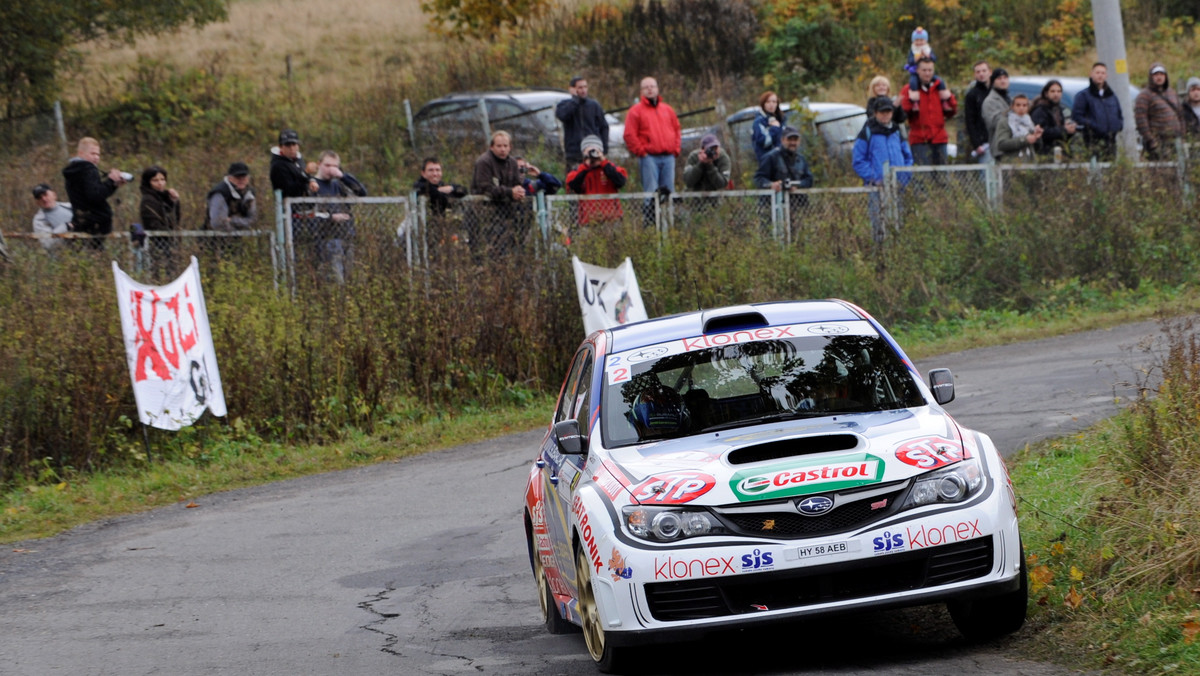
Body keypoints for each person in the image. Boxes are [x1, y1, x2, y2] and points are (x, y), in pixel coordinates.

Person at [852, 97, 913, 243]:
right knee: (879, 224)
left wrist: (904, 177)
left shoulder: (897, 131)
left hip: (899, 187)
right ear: (875, 113)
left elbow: (908, 157)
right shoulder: (867, 132)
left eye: (888, 111)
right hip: (877, 188)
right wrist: (874, 178)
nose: (885, 115)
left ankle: (899, 252)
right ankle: (880, 257)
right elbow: (858, 161)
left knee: (901, 222)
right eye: (882, 112)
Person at [310, 150, 367, 282]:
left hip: (346, 235)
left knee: (351, 277)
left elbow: (361, 192)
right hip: (326, 238)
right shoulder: (313, 185)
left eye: (335, 166)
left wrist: (342, 176)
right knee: (336, 279)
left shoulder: (339, 184)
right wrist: (331, 217)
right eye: (328, 165)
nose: (331, 170)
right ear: (319, 164)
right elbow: (310, 213)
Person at [61, 137, 128, 248]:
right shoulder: (88, 169)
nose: (96, 158)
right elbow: (95, 195)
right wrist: (111, 181)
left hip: (81, 220)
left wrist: (113, 185)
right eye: (92, 154)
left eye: (98, 154)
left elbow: (88, 194)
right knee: (96, 252)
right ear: (81, 153)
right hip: (96, 222)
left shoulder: (73, 170)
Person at [470, 130, 528, 254]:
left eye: (505, 146)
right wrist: (509, 192)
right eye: (499, 146)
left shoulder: (512, 162)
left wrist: (518, 191)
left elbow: (517, 183)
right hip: (485, 213)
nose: (502, 149)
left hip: (507, 212)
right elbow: (485, 188)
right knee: (489, 250)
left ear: (510, 147)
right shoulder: (484, 162)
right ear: (492, 147)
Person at [623, 76, 681, 197]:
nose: (650, 89)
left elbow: (676, 129)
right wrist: (642, 152)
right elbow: (629, 135)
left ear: (657, 89)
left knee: (669, 191)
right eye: (646, 87)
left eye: (652, 86)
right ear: (641, 91)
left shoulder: (668, 110)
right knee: (651, 192)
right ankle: (651, 216)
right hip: (649, 158)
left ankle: (667, 215)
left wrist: (676, 149)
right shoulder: (635, 111)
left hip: (669, 157)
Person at [900, 58, 957, 165]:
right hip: (919, 139)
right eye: (924, 70)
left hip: (939, 138)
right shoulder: (909, 89)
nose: (927, 73)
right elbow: (904, 112)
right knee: (923, 176)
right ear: (917, 71)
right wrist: (911, 100)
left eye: (930, 70)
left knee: (942, 176)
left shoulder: (939, 88)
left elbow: (952, 111)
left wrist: (949, 98)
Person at [754, 126, 814, 225]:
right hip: (773, 208)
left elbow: (809, 179)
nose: (793, 143)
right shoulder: (771, 157)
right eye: (789, 139)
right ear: (782, 140)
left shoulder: (801, 159)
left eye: (795, 140)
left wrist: (798, 185)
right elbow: (758, 178)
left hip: (797, 209)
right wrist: (771, 185)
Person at [566, 135, 629, 226]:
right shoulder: (578, 171)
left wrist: (603, 162)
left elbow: (621, 181)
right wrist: (586, 166)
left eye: (595, 150)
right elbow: (573, 185)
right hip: (588, 221)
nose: (592, 155)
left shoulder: (610, 168)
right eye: (588, 151)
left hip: (611, 220)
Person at [1072, 62, 1124, 161]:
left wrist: (1118, 125)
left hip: (1111, 140)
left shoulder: (1111, 96)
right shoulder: (1083, 96)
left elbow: (1119, 114)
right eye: (1097, 72)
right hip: (1092, 141)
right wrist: (1094, 126)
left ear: (1106, 75)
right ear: (1091, 74)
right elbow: (1077, 116)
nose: (1100, 75)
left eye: (1103, 73)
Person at [1134, 63, 1184, 160]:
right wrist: (1151, 140)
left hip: (1175, 141)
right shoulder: (1144, 95)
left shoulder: (1172, 92)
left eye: (1162, 74)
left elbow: (1180, 115)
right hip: (1157, 143)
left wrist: (1182, 135)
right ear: (1151, 77)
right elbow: (1141, 120)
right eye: (1156, 75)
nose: (1159, 77)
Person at [556, 76, 609, 167]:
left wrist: (603, 147)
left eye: (585, 87)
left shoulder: (594, 105)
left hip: (593, 152)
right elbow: (563, 115)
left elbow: (603, 126)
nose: (583, 90)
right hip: (574, 153)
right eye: (580, 88)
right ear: (572, 89)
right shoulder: (565, 105)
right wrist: (575, 100)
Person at [138, 166, 181, 257]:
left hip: (169, 244)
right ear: (148, 182)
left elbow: (175, 219)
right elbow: (152, 224)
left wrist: (175, 202)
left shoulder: (164, 198)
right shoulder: (148, 200)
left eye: (162, 179)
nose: (160, 183)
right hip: (157, 244)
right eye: (155, 180)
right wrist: (168, 234)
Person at [1030, 80, 1078, 158]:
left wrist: (1070, 131)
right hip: (1045, 153)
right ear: (1046, 93)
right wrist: (1064, 130)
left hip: (1059, 151)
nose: (1056, 94)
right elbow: (1043, 132)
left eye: (1059, 91)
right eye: (1052, 91)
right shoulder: (1040, 110)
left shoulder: (1058, 109)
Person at [205, 162, 258, 231]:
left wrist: (232, 220)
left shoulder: (249, 194)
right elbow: (218, 222)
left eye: (244, 177)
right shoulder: (220, 193)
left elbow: (253, 220)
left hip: (240, 237)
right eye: (237, 177)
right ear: (230, 178)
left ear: (248, 178)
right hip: (212, 237)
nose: (241, 180)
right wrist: (237, 230)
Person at [992, 95, 1043, 163]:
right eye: (1018, 105)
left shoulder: (1029, 122)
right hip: (1011, 163)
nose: (1021, 108)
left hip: (1029, 163)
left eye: (1024, 105)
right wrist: (1024, 140)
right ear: (1012, 106)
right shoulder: (1005, 122)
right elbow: (1001, 144)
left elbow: (1037, 148)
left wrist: (1037, 137)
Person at [902, 28, 948, 103]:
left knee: (940, 81)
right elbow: (909, 61)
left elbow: (934, 59)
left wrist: (928, 56)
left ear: (925, 40)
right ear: (913, 41)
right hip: (915, 72)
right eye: (917, 40)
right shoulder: (912, 50)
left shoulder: (928, 49)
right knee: (913, 82)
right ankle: (915, 101)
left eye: (921, 40)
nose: (919, 42)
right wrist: (916, 59)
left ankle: (944, 99)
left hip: (928, 72)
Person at [270, 129, 317, 199]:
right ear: (280, 147)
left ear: (298, 145)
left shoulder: (298, 159)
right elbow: (290, 191)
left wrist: (311, 180)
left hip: (305, 204)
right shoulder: (278, 165)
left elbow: (303, 176)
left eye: (294, 144)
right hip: (288, 207)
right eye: (287, 145)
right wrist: (306, 173)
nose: (291, 148)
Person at [962, 60, 993, 161]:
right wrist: (977, 144)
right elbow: (970, 121)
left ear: (990, 72)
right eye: (978, 72)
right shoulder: (972, 95)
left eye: (984, 71)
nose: (981, 74)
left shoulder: (996, 92)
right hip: (983, 143)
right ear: (975, 74)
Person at [31, 183, 73, 252]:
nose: (44, 199)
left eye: (45, 194)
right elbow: (47, 244)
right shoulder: (39, 220)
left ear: (54, 195)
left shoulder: (70, 207)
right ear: (37, 202)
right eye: (39, 198)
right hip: (64, 257)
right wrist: (66, 227)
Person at [752, 91, 787, 164]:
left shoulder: (781, 120)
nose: (771, 104)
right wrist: (774, 129)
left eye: (774, 102)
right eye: (768, 102)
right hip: (767, 162)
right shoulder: (759, 122)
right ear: (763, 104)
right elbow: (764, 142)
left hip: (783, 161)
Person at [981, 68, 1012, 145]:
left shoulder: (1010, 99)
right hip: (1000, 145)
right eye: (999, 78)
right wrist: (1012, 113)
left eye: (1005, 78)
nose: (1003, 81)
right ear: (993, 82)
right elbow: (993, 123)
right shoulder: (989, 101)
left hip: (1012, 144)